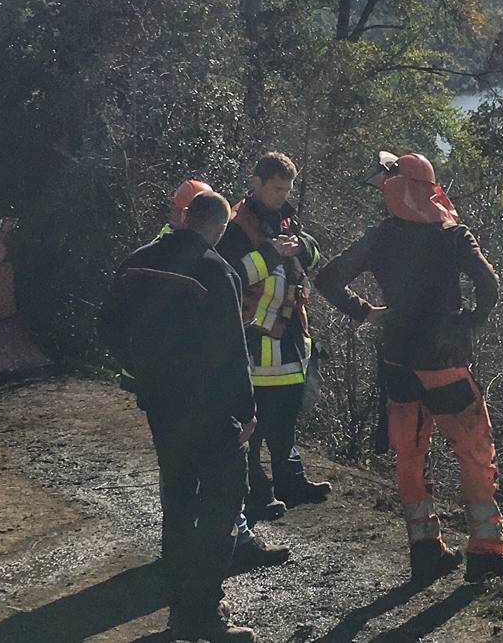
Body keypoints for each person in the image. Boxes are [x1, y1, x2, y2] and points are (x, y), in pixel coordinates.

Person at [316, 151, 503, 583]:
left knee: (410, 453)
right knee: (474, 453)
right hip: (443, 364)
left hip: (397, 359)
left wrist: (366, 312)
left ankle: (425, 549)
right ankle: (486, 550)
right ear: (431, 188)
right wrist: (468, 322)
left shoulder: (381, 236)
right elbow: (488, 286)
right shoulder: (453, 235)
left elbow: (326, 279)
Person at [98, 185, 258, 643]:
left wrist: (140, 366)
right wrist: (246, 409)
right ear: (220, 227)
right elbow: (232, 349)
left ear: (186, 217)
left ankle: (178, 596)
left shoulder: (137, 262)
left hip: (160, 402)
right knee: (224, 499)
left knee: (179, 491)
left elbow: (108, 325)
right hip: (207, 407)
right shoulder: (216, 271)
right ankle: (202, 611)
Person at [160, 180, 291, 570]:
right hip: (202, 391)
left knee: (179, 477)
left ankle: (180, 555)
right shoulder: (208, 265)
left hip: (164, 390)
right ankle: (227, 552)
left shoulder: (152, 254)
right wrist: (244, 405)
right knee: (220, 474)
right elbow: (227, 342)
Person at [217, 153, 333, 520]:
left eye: (288, 188)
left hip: (290, 337)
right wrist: (271, 253)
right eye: (278, 188)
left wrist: (302, 247)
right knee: (253, 422)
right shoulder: (236, 226)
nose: (284, 195)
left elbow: (311, 250)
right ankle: (255, 493)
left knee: (286, 417)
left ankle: (291, 481)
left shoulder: (285, 216)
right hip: (255, 340)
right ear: (256, 183)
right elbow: (230, 274)